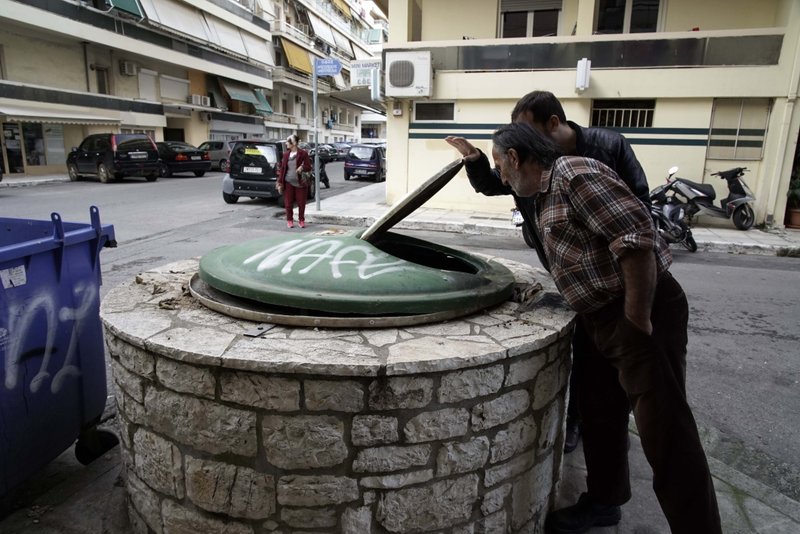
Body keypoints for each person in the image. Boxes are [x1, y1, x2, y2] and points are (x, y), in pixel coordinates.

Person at [490, 121, 721, 534]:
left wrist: (636, 321)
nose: (501, 177)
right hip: (599, 319)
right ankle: (605, 501)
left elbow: (635, 240)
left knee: (666, 433)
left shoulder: (574, 174)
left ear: (514, 157)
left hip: (640, 312)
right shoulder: (541, 194)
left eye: (499, 165)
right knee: (600, 413)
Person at [446, 90, 650, 454]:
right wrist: (474, 159)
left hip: (619, 293)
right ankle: (588, 443)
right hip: (589, 297)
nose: (507, 174)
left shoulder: (582, 164)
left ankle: (616, 445)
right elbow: (498, 182)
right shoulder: (529, 172)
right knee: (591, 378)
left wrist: (635, 317)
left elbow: (636, 231)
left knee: (651, 407)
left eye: (523, 134)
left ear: (552, 125)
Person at [277, 134, 312, 228]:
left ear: (294, 143)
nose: (286, 143)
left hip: (300, 183)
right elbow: (282, 169)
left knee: (301, 203)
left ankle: (301, 220)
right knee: (288, 203)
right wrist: (280, 183)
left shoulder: (303, 153)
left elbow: (308, 167)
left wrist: (302, 167)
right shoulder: (286, 155)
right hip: (288, 182)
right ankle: (289, 220)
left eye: (288, 141)